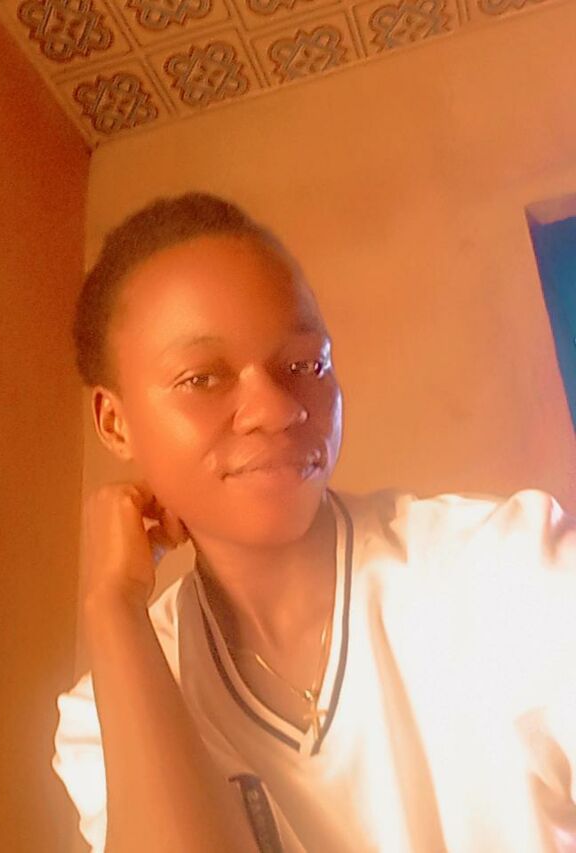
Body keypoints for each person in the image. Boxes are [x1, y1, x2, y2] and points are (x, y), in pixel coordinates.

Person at [52, 192, 576, 853]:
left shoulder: (503, 568)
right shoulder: (103, 713)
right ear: (115, 422)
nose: (276, 409)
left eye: (305, 364)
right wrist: (111, 607)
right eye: (203, 378)